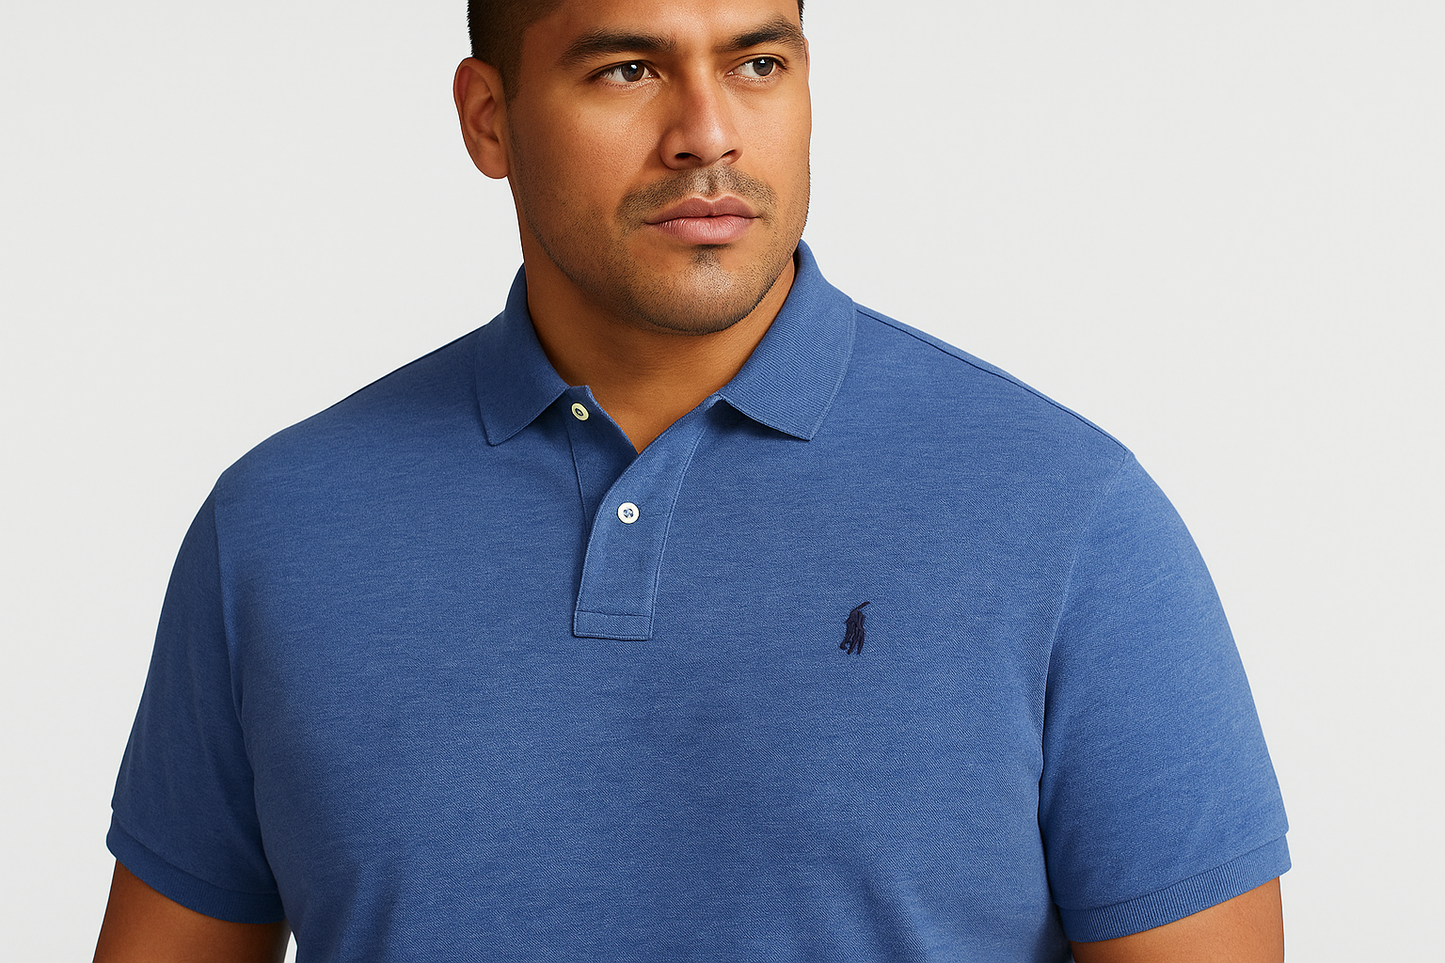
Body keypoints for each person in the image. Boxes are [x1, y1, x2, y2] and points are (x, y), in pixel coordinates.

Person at [94, 0, 1289, 960]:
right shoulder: (279, 528)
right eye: (626, 69)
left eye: (757, 62)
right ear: (489, 120)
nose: (707, 133)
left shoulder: (1070, 518)